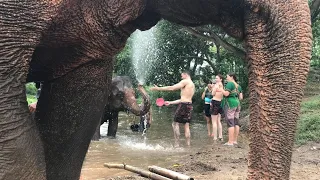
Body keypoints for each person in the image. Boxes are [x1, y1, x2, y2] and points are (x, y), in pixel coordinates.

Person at [150, 71, 195, 147]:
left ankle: (177, 144)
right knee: (186, 125)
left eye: (182, 76)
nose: (181, 77)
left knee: (175, 124)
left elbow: (172, 88)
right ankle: (188, 145)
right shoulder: (192, 85)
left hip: (183, 105)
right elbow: (183, 99)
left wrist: (158, 88)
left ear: (185, 75)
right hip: (189, 105)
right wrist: (171, 102)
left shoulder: (185, 81)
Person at [221, 73, 243, 146]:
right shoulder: (238, 86)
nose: (226, 78)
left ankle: (230, 142)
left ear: (231, 77)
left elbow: (226, 94)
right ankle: (235, 140)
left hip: (230, 103)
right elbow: (241, 97)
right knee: (236, 122)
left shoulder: (230, 84)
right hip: (237, 103)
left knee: (230, 122)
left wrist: (221, 89)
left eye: (227, 77)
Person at [211, 75, 224, 141]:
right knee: (219, 120)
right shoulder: (222, 85)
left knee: (214, 121)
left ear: (220, 79)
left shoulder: (216, 85)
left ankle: (215, 137)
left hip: (215, 102)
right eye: (215, 78)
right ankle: (220, 136)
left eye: (217, 78)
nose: (215, 79)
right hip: (220, 102)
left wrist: (213, 88)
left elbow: (213, 94)